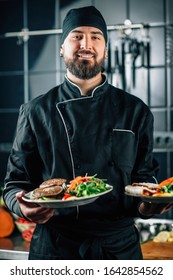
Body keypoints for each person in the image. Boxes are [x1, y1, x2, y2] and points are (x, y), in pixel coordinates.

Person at [3, 6, 173, 260]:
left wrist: (148, 205)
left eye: (96, 36)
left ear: (105, 48)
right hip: (55, 247)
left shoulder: (135, 110)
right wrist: (22, 207)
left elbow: (143, 178)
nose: (87, 44)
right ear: (62, 48)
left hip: (118, 249)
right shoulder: (35, 111)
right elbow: (14, 184)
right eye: (76, 36)